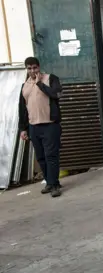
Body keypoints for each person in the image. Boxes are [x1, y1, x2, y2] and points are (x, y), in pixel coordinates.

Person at [18, 57, 63, 197]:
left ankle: (55, 184)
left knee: (51, 155)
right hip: (34, 126)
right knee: (41, 157)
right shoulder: (24, 85)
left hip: (50, 125)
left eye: (35, 68)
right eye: (29, 68)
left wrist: (40, 84)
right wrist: (23, 128)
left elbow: (57, 94)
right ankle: (49, 182)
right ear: (27, 69)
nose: (32, 71)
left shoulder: (51, 79)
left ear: (39, 67)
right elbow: (22, 109)